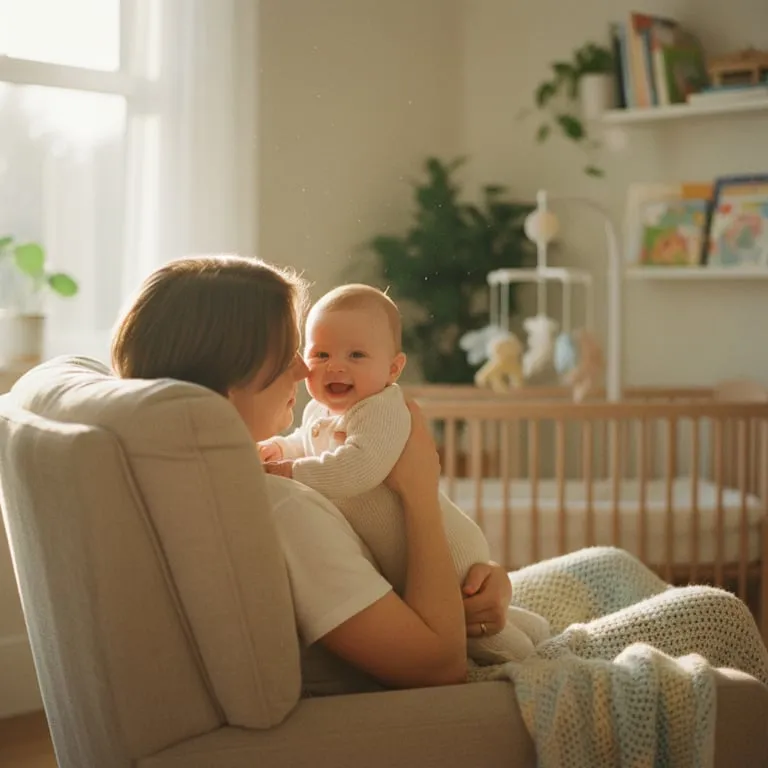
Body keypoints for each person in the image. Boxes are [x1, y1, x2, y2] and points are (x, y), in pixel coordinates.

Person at [111, 254, 513, 691]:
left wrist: (480, 579)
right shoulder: (279, 505)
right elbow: (439, 665)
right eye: (289, 354)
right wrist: (419, 493)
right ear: (227, 386)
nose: (306, 369)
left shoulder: (215, 481)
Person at [257, 283, 550, 663]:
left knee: (489, 641)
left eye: (356, 354)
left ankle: (533, 660)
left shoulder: (380, 408)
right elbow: (304, 441)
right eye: (321, 353)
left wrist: (287, 471)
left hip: (446, 550)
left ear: (393, 369)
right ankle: (534, 628)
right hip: (414, 555)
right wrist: (280, 448)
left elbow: (358, 468)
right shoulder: (320, 412)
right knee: (480, 618)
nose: (335, 366)